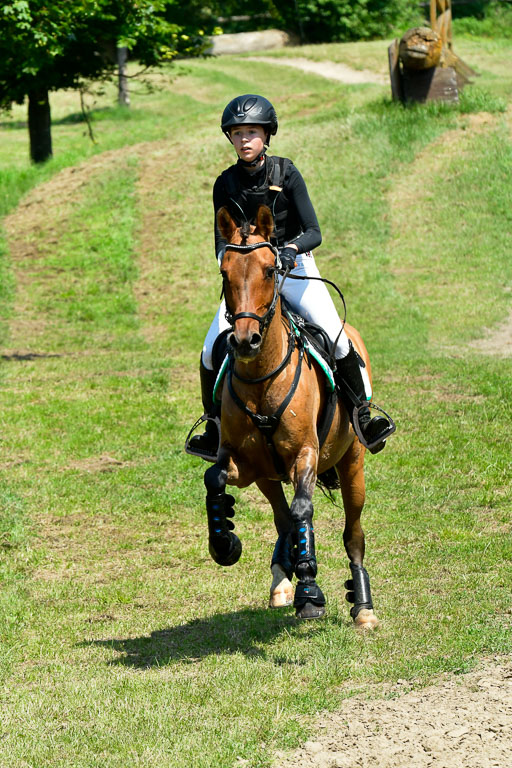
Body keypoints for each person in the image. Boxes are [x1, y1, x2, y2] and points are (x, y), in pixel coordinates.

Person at [188, 94, 393, 459]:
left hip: (295, 270)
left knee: (336, 337)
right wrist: (233, 263)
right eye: (237, 133)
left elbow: (314, 231)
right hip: (250, 281)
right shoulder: (224, 183)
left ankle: (364, 415)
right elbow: (221, 239)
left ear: (267, 135)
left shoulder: (287, 172)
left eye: (252, 132)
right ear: (230, 139)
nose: (244, 139)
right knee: (209, 350)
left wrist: (291, 249)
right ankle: (213, 425)